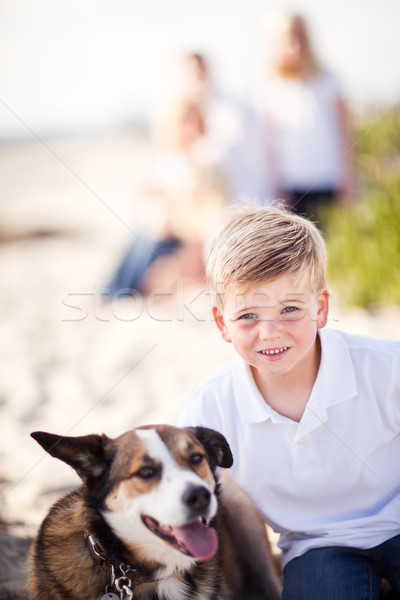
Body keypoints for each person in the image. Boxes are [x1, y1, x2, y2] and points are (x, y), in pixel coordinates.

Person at [177, 205, 400, 599]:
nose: (269, 331)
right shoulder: (209, 408)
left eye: (290, 309)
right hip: (317, 547)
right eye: (247, 315)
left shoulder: (385, 369)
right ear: (221, 323)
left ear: (322, 309)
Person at [256, 13, 354, 224]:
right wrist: (275, 186)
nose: (295, 46)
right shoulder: (268, 88)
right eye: (288, 40)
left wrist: (348, 181)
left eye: (299, 38)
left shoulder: (330, 80)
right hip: (291, 187)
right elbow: (268, 145)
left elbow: (345, 132)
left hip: (329, 182)